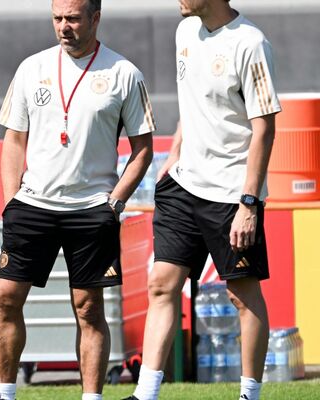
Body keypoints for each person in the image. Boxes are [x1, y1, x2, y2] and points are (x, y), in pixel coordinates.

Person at [0, 0, 155, 398]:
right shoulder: (32, 68)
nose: (64, 27)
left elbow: (143, 149)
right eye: (57, 18)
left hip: (91, 209)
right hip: (33, 206)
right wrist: (12, 202)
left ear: (95, 18)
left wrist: (114, 203)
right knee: (6, 299)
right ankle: (3, 394)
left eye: (73, 18)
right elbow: (14, 140)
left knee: (88, 308)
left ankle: (92, 397)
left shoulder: (123, 73)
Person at [123, 1, 279, 400]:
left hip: (231, 194)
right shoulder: (185, 31)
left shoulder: (250, 43)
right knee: (161, 283)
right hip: (182, 185)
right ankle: (146, 394)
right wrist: (174, 154)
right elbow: (191, 105)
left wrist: (248, 202)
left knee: (241, 297)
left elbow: (263, 128)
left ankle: (250, 394)